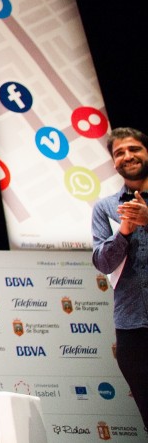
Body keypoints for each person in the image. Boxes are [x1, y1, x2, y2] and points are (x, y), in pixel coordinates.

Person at [91, 127, 148, 426]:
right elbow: (102, 262)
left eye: (134, 149)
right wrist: (124, 230)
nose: (127, 156)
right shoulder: (105, 207)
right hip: (133, 326)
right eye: (119, 153)